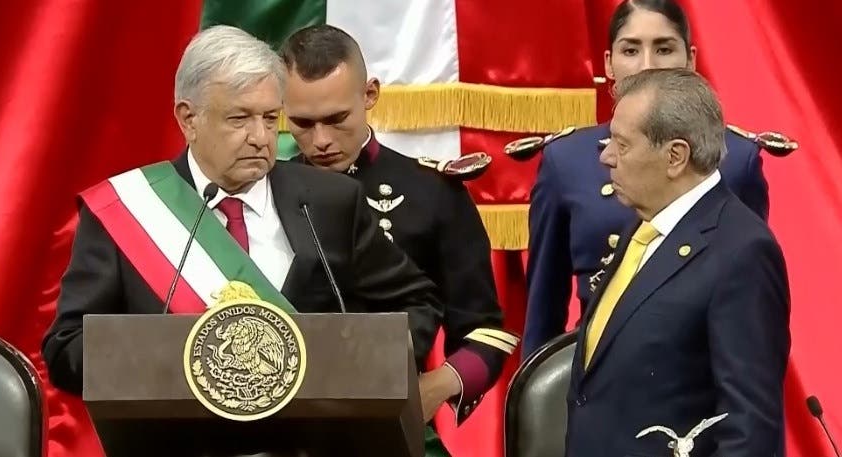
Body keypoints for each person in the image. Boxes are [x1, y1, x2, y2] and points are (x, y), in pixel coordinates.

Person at [41, 25, 442, 403]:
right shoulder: (128, 211)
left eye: (269, 118)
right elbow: (67, 349)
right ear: (188, 119)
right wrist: (176, 360)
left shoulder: (331, 201)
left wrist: (363, 370)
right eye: (239, 118)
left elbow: (417, 302)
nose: (260, 137)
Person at [279, 24, 517, 455]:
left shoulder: (432, 191)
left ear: (370, 95)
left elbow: (485, 331)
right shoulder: (265, 192)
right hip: (284, 430)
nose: (321, 140)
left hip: (391, 427)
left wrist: (431, 389)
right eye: (302, 123)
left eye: (336, 119)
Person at [519, 0, 795, 357]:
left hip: (699, 373)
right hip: (598, 370)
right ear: (608, 64)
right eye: (630, 50)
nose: (647, 65)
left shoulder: (736, 160)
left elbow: (753, 304)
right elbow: (543, 315)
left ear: (690, 60)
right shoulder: (566, 161)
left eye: (664, 49)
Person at [565, 67, 790, 457]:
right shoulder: (642, 227)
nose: (606, 156)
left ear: (675, 156)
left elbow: (750, 430)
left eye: (622, 144)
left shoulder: (742, 252)